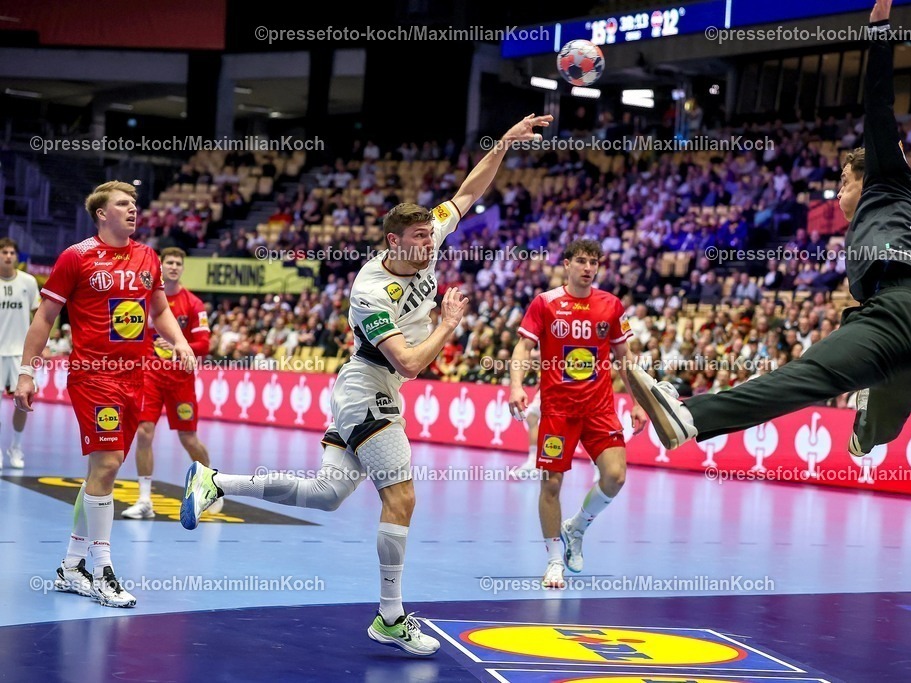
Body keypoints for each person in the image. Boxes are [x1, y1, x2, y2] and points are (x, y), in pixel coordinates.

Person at [177, 113, 552, 656]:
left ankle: (215, 482)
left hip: (368, 387)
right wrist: (447, 324)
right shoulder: (371, 290)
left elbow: (470, 190)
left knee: (328, 495)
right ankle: (390, 617)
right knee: (400, 496)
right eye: (419, 238)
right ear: (392, 241)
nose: (430, 244)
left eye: (431, 235)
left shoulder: (428, 239)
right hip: (368, 386)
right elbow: (409, 362)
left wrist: (505, 142)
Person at [627, 0, 911, 460]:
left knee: (804, 376)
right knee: (874, 414)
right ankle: (869, 427)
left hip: (900, 315)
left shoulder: (888, 177)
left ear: (866, 174)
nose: (837, 193)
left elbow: (879, 104)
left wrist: (878, 32)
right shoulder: (898, 215)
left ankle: (691, 417)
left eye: (843, 182)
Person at [14, 181, 197, 608]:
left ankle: (70, 565)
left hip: (136, 377)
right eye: (123, 204)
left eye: (134, 204)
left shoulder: (147, 256)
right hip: (93, 376)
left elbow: (160, 310)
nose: (133, 210)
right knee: (110, 462)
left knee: (102, 471)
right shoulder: (75, 257)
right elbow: (45, 318)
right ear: (102, 213)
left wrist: (180, 342)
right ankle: (102, 570)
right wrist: (27, 371)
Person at [509, 238, 647, 590]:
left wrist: (638, 402)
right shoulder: (546, 303)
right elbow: (523, 346)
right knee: (551, 484)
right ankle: (555, 561)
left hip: (599, 408)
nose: (588, 268)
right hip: (558, 411)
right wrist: (516, 385)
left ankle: (578, 527)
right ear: (567, 264)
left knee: (615, 476)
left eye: (594, 262)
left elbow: (625, 360)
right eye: (582, 261)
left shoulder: (611, 305)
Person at [122, 247, 221, 520]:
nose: (174, 266)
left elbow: (204, 344)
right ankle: (144, 500)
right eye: (170, 262)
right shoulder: (146, 300)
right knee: (144, 432)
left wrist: (180, 344)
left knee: (188, 439)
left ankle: (210, 483)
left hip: (180, 380)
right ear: (161, 267)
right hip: (150, 376)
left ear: (183, 268)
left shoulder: (193, 304)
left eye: (179, 262)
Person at [0, 238, 39, 471]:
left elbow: (40, 316)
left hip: (20, 354)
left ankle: (16, 447)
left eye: (12, 252)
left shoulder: (28, 282)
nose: (8, 256)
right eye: (4, 252)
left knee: (22, 403)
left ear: (17, 256)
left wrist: (43, 345)